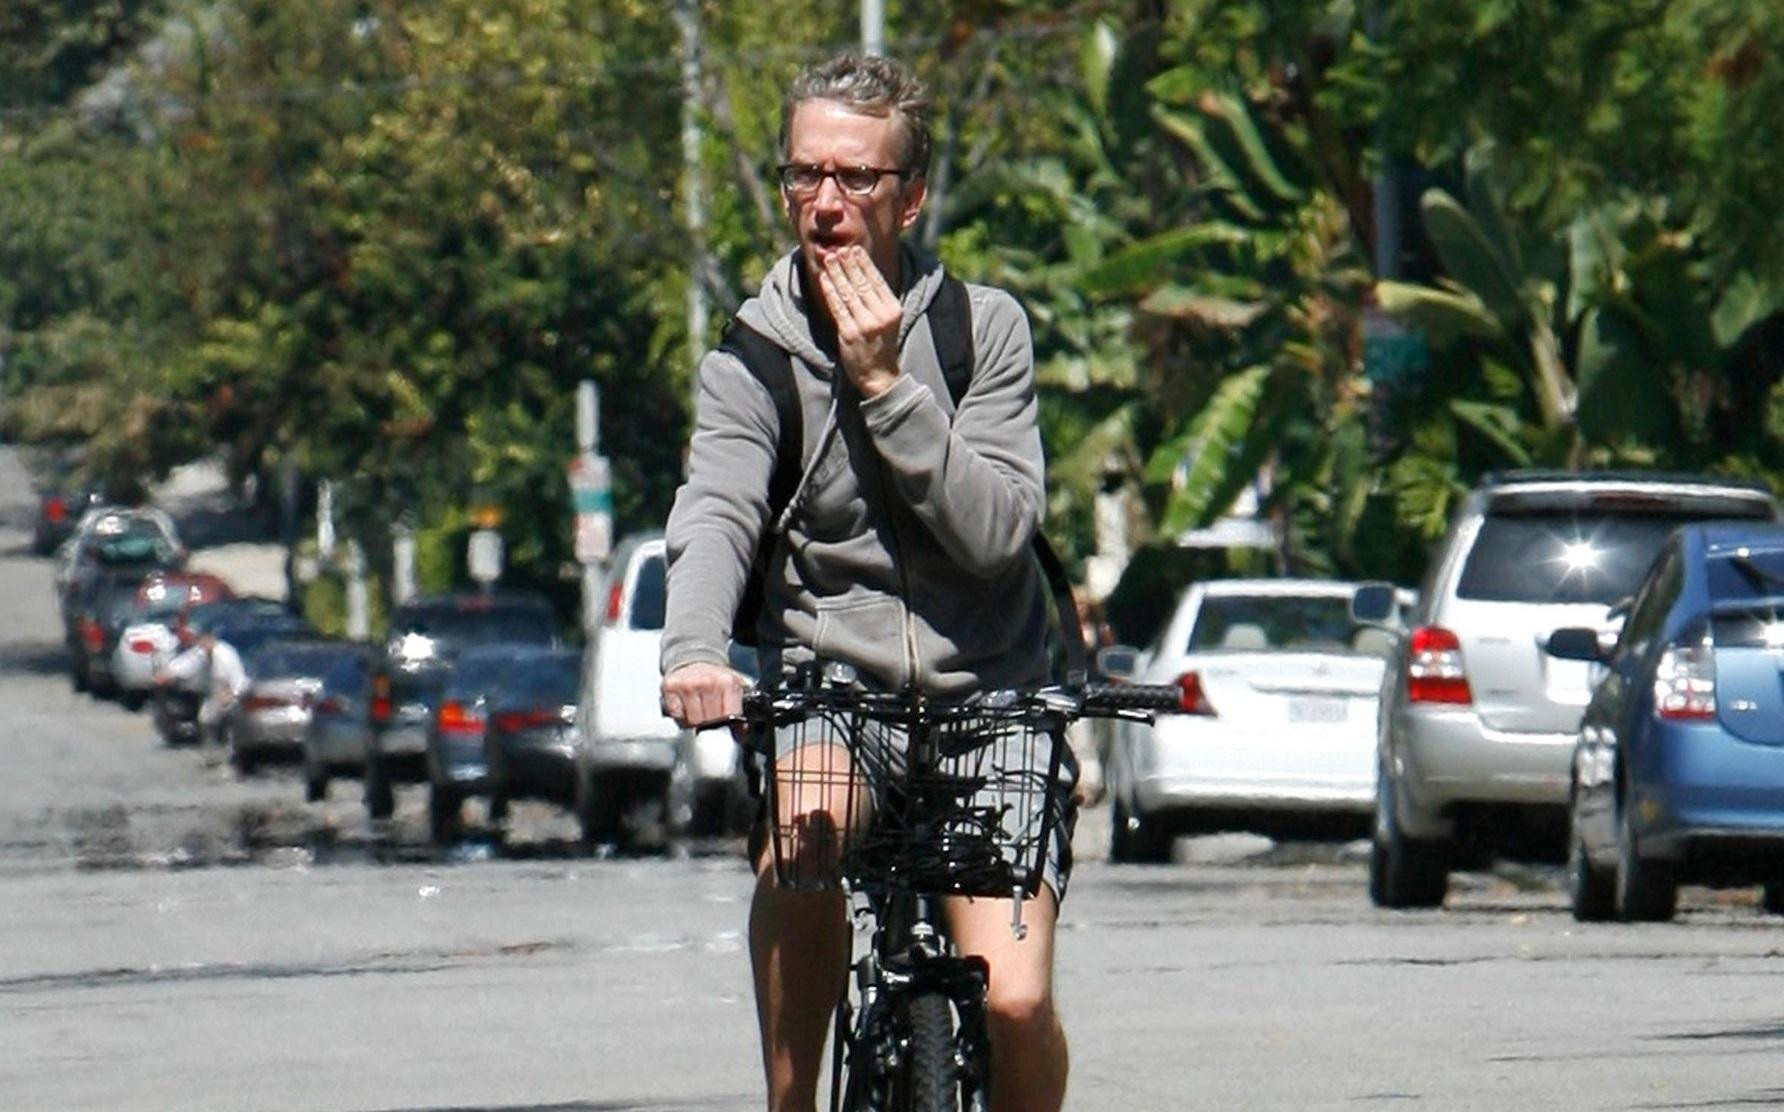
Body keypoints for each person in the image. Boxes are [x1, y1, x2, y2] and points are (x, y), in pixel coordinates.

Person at [659, 53, 1071, 1112]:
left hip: (994, 698)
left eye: (854, 177)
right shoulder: (755, 353)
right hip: (834, 693)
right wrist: (695, 651)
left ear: (910, 197)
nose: (826, 202)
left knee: (1016, 999)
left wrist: (887, 383)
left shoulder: (982, 331)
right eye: (804, 175)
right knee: (801, 850)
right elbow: (716, 511)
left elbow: (996, 533)